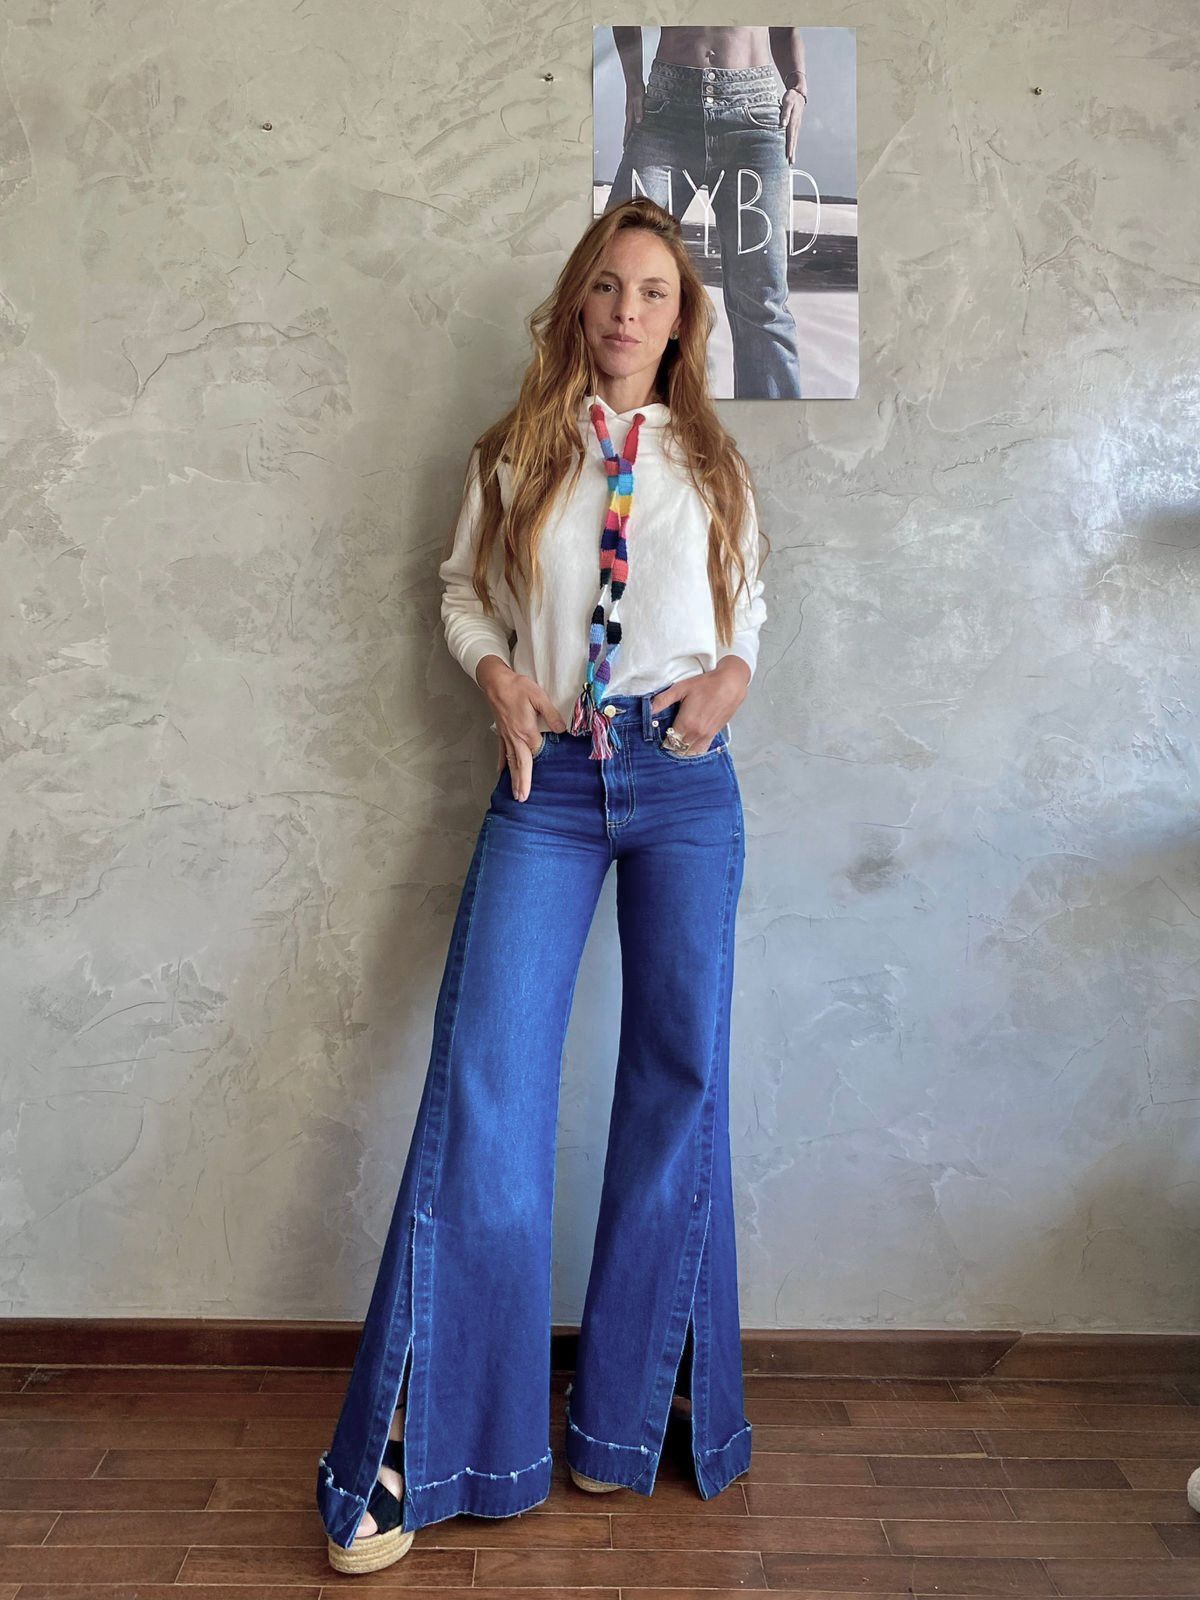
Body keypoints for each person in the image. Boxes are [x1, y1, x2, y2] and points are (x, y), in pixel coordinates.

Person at [315, 196, 770, 1577]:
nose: (629, 310)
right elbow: (461, 591)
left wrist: (733, 676)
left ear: (681, 321)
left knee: (679, 1085)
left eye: (654, 292)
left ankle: (635, 1415)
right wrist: (498, 675)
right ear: (579, 303)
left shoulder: (715, 461)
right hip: (551, 784)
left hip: (683, 784)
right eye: (609, 287)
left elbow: (749, 606)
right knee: (488, 1091)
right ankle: (426, 1436)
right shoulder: (515, 452)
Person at [603, 25, 807, 398]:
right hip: (666, 112)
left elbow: (786, 25)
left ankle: (777, 423)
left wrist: (798, 87)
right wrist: (633, 84)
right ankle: (607, 415)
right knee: (613, 263)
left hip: (755, 118)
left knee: (762, 297)